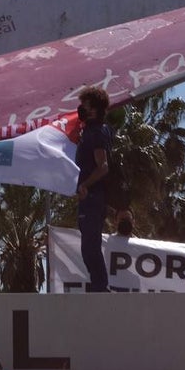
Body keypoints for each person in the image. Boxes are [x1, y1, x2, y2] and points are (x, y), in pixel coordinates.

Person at [74, 86, 112, 292]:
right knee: (88, 245)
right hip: (89, 196)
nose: (81, 110)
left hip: (93, 196)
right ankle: (98, 285)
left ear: (95, 109)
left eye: (85, 106)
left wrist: (85, 185)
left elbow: (103, 166)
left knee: (90, 246)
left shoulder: (97, 132)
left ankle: (100, 287)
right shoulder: (89, 130)